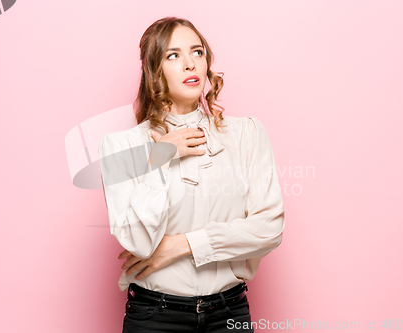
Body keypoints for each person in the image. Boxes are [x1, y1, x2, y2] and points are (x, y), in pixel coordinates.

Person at [98, 16, 285, 333]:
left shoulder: (246, 134)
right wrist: (160, 158)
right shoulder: (122, 147)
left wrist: (182, 245)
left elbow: (269, 228)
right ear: (154, 70)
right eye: (173, 55)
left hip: (230, 314)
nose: (189, 64)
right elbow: (138, 243)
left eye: (197, 52)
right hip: (155, 317)